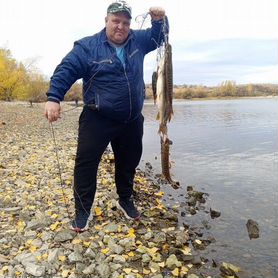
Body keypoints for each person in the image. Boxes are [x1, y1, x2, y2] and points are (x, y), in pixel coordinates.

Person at [44, 0, 169, 232]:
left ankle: (125, 199)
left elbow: (159, 37)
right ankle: (83, 211)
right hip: (97, 118)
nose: (120, 26)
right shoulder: (88, 46)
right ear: (106, 21)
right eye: (115, 21)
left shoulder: (138, 41)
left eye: (125, 22)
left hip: (131, 119)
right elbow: (66, 69)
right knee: (86, 165)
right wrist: (54, 97)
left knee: (128, 162)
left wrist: (159, 20)